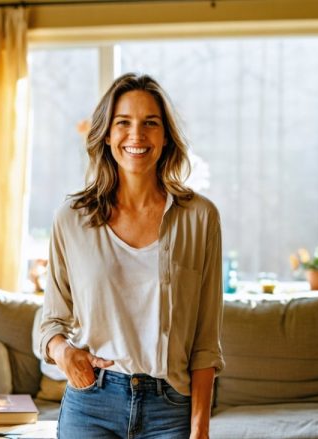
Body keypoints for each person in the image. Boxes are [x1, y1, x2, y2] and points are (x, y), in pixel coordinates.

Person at [39, 73, 225, 439]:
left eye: (150, 124)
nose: (136, 135)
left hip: (170, 408)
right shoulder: (72, 218)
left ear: (166, 136)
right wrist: (63, 353)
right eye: (123, 123)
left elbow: (206, 341)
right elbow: (51, 323)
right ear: (107, 134)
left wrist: (199, 428)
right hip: (92, 403)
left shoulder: (200, 218)